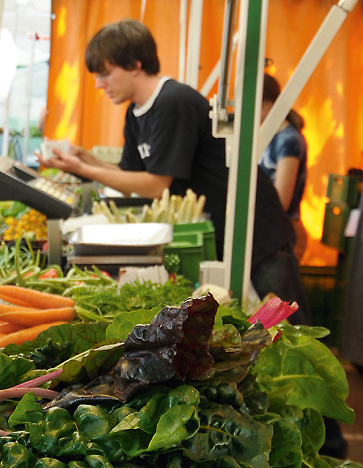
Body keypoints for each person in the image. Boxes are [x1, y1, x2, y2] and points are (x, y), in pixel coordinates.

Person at [37, 19, 311, 326]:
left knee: (290, 324)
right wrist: (83, 159)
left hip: (256, 228)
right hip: (219, 229)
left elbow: (155, 185)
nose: (99, 84)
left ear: (135, 64)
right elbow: (130, 177)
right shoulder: (136, 112)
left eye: (104, 73)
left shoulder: (173, 101)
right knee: (258, 324)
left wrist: (83, 168)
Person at [259, 73, 309, 261]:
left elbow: (282, 200)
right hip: (271, 231)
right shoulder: (268, 136)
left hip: (283, 234)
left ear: (267, 105)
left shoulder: (289, 140)